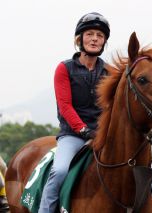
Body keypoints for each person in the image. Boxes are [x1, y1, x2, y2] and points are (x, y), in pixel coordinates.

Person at [39, 12, 112, 213]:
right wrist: (83, 130)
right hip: (73, 135)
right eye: (89, 34)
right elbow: (65, 106)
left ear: (104, 41)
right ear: (79, 39)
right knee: (60, 170)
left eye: (99, 35)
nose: (95, 39)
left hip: (103, 136)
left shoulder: (111, 72)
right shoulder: (64, 69)